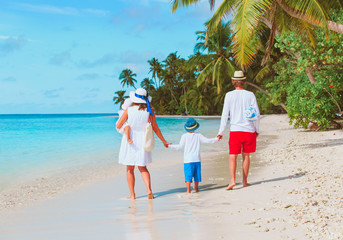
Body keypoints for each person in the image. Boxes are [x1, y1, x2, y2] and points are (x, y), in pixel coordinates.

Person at [116, 88, 170, 200]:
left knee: (130, 169)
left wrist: (126, 127)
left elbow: (118, 125)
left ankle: (132, 195)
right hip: (143, 140)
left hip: (130, 140)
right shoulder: (149, 111)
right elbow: (155, 128)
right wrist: (164, 141)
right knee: (143, 168)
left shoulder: (129, 110)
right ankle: (149, 190)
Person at [217, 70, 260, 190]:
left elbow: (225, 115)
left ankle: (232, 181)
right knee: (246, 156)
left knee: (232, 156)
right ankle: (245, 181)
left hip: (235, 130)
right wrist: (256, 129)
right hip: (249, 130)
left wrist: (220, 131)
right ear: (244, 82)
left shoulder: (229, 95)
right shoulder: (250, 94)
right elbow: (256, 113)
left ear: (233, 82)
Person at [169, 118, 219, 194]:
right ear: (195, 127)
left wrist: (170, 146)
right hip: (197, 159)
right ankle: (196, 188)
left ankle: (188, 190)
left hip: (188, 160)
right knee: (197, 175)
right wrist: (217, 138)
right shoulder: (198, 135)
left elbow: (180, 146)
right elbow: (208, 141)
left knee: (188, 176)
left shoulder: (184, 136)